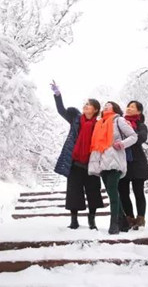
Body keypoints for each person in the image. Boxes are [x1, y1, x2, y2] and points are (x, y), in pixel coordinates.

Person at [51, 81, 104, 230]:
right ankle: (74, 220)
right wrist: (57, 95)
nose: (85, 106)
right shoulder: (75, 119)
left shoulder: (99, 124)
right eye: (85, 104)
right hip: (75, 163)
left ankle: (92, 219)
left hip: (92, 163)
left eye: (89, 104)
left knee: (93, 192)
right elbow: (61, 110)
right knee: (73, 192)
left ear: (95, 109)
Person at [88, 102, 138, 234]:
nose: (105, 106)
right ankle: (124, 223)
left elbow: (134, 137)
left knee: (113, 193)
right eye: (104, 105)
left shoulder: (118, 120)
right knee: (112, 193)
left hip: (115, 161)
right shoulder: (100, 123)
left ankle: (114, 224)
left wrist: (122, 144)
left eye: (108, 105)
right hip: (102, 162)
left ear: (115, 108)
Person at [118, 101, 148, 230]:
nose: (129, 109)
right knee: (123, 193)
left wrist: (130, 134)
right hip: (122, 162)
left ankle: (140, 219)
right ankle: (129, 218)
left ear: (139, 112)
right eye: (128, 107)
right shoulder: (120, 123)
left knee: (138, 192)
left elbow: (141, 138)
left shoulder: (141, 125)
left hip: (137, 163)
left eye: (132, 107)